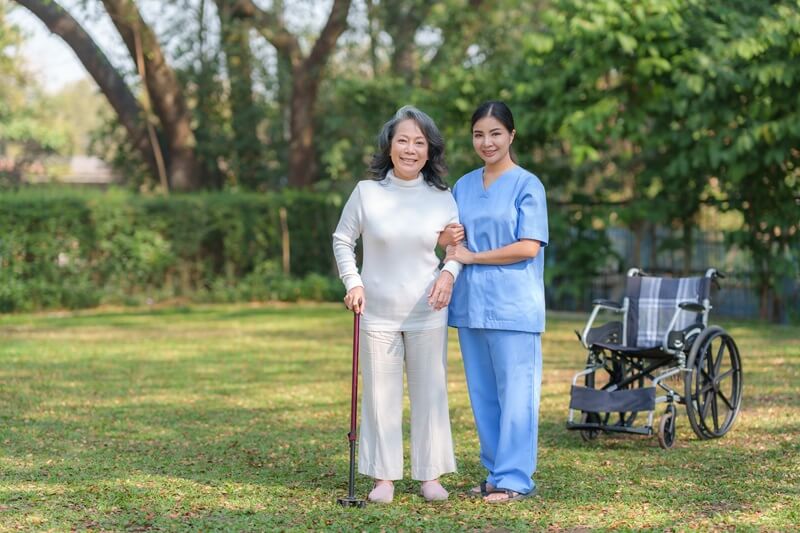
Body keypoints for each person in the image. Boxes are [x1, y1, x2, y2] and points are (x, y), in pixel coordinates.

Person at [332, 105, 462, 503]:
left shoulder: (442, 196)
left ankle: (429, 476)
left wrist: (448, 274)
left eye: (419, 142)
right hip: (376, 313)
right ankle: (383, 478)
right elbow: (342, 239)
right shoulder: (366, 193)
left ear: (429, 150)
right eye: (402, 140)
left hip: (427, 311)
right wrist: (353, 282)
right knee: (381, 396)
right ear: (389, 146)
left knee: (430, 393)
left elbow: (456, 246)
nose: (410, 149)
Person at [443, 101, 549, 503]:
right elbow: (451, 238)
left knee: (517, 396)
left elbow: (529, 246)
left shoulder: (527, 184)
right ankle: (494, 473)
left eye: (495, 133)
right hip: (471, 306)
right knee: (484, 395)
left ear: (511, 136)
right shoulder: (464, 185)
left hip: (514, 308)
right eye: (478, 134)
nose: (486, 142)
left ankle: (515, 479)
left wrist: (472, 256)